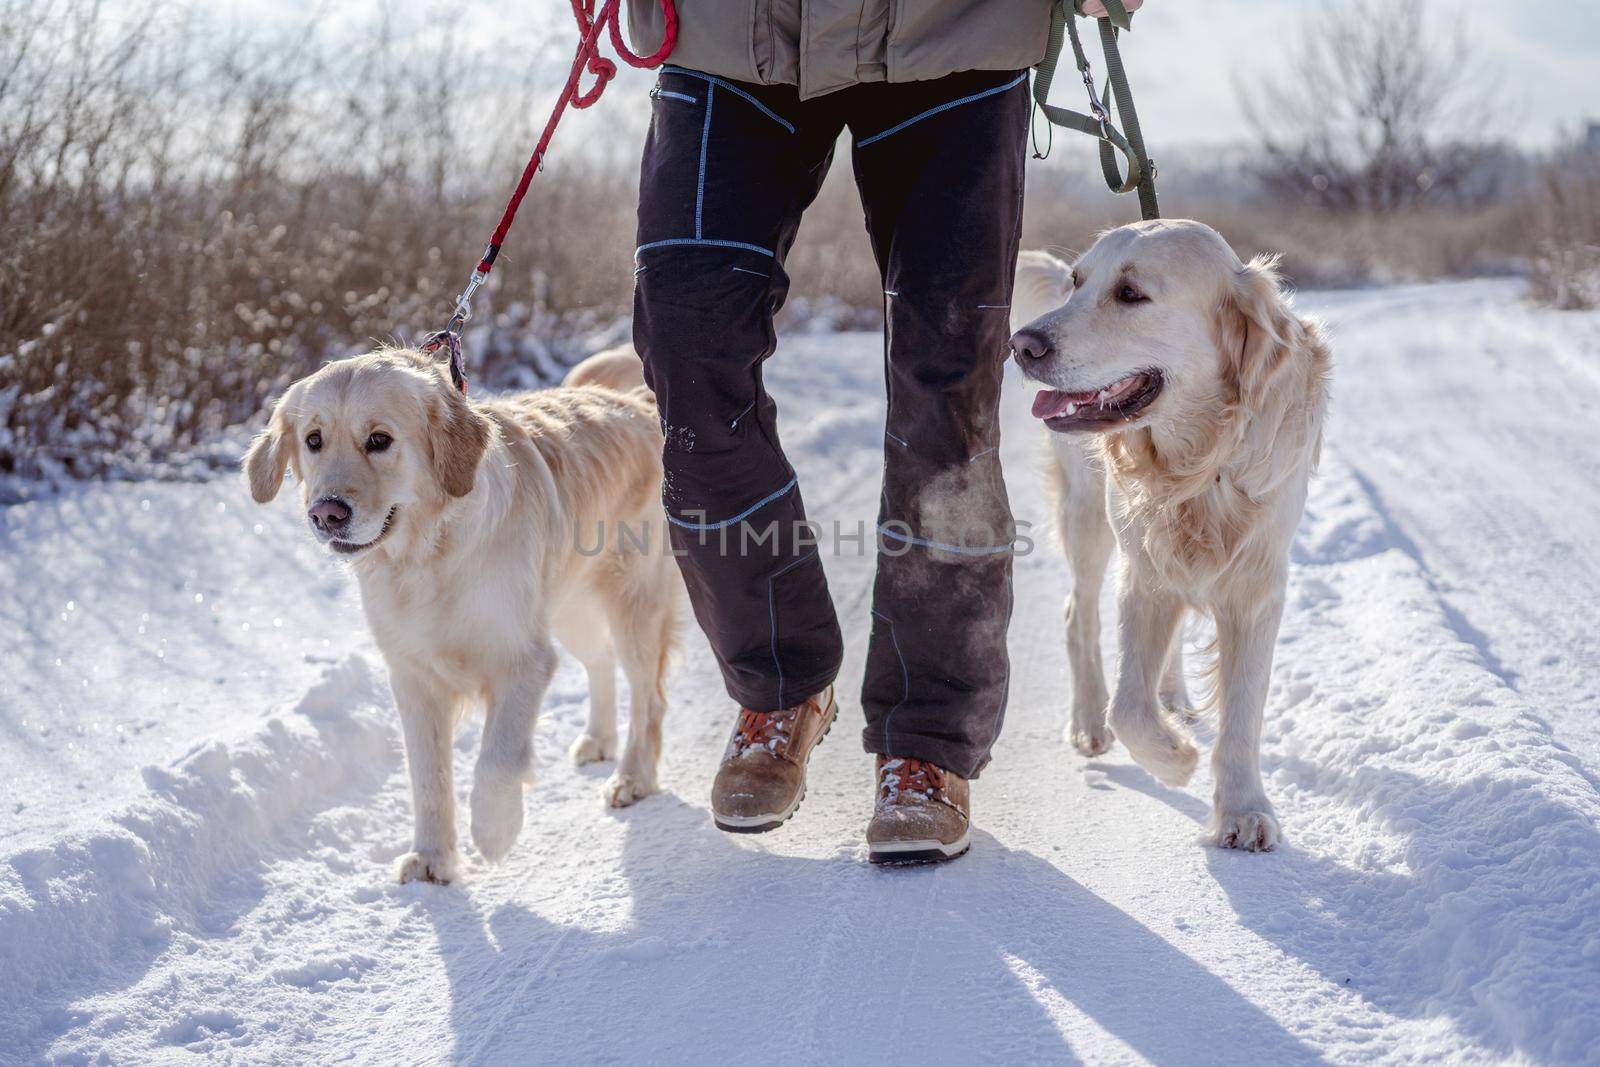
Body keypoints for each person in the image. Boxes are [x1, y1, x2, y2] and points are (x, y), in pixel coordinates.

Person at [626, 0, 1143, 864]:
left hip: (959, 28)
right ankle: (781, 685)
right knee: (688, 349)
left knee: (947, 384)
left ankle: (927, 740)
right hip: (727, 31)